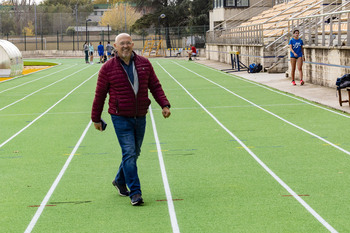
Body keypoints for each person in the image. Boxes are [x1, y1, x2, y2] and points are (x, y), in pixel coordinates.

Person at [91, 33, 171, 206]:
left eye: (128, 43)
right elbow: (100, 95)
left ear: (133, 44)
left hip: (140, 115)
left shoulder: (144, 63)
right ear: (115, 46)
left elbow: (155, 86)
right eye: (122, 44)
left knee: (135, 153)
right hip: (120, 117)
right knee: (129, 152)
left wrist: (164, 104)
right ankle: (135, 193)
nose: (125, 46)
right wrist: (96, 118)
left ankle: (119, 180)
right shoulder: (107, 68)